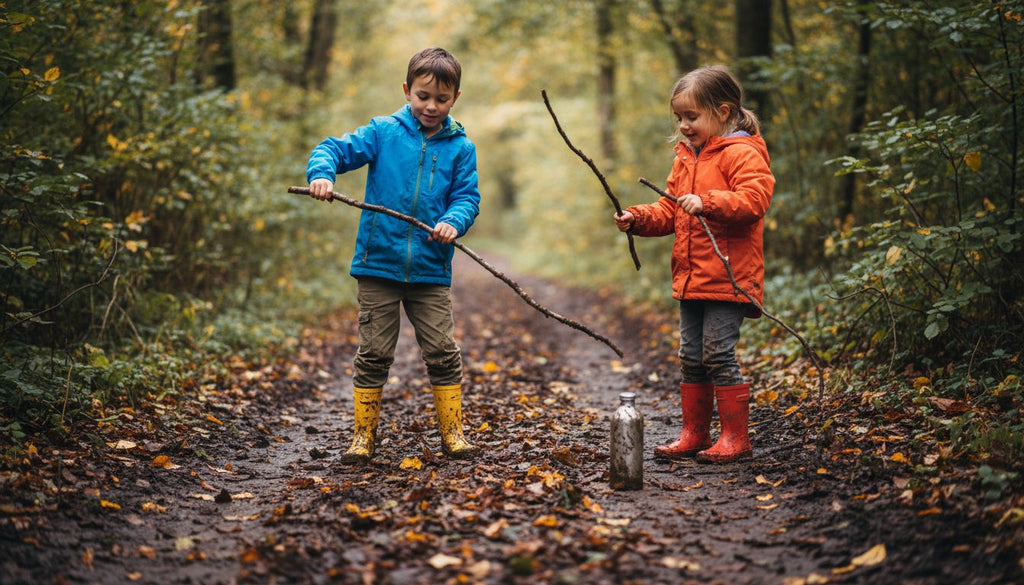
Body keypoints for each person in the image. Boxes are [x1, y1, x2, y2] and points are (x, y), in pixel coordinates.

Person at [305, 47, 481, 463]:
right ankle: (362, 437)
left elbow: (467, 197)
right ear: (407, 91)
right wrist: (322, 174)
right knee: (374, 354)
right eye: (423, 96)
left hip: (430, 269)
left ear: (455, 98)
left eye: (441, 99)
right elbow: (333, 149)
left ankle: (453, 433)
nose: (431, 106)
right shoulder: (383, 132)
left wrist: (453, 221)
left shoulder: (461, 148)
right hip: (378, 265)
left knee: (442, 352)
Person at [614, 66, 774, 463]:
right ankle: (695, 433)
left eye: (692, 116)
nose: (684, 126)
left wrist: (708, 201)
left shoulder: (743, 153)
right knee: (691, 356)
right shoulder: (686, 158)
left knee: (718, 353)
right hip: (692, 277)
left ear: (723, 112)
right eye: (679, 118)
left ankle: (735, 437)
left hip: (728, 277)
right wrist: (638, 218)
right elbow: (671, 210)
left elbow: (754, 201)